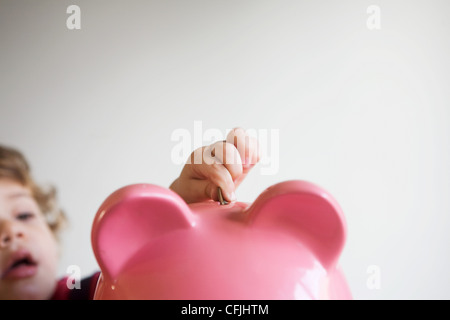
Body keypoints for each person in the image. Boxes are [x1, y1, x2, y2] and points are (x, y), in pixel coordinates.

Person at [0, 128, 260, 299]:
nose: (11, 233)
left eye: (23, 215)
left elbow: (149, 281)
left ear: (50, 229)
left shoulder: (95, 291)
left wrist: (172, 230)